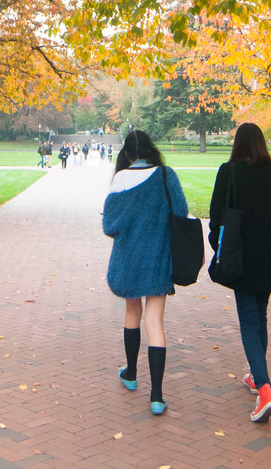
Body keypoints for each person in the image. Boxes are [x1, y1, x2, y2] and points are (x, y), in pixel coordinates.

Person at [208, 122, 271, 423]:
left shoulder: (228, 171)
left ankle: (265, 389)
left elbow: (216, 217)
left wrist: (218, 246)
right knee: (260, 317)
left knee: (249, 321)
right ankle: (256, 377)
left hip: (241, 258)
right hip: (270, 259)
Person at [103, 129, 187, 416]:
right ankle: (157, 395)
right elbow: (182, 213)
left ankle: (131, 373)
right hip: (159, 258)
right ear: (152, 150)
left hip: (128, 259)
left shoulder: (120, 179)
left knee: (131, 314)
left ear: (127, 154)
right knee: (155, 323)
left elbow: (109, 226)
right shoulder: (167, 175)